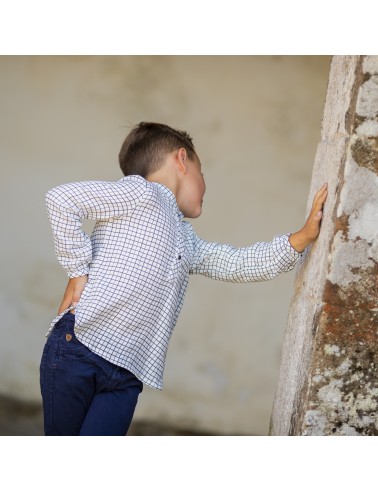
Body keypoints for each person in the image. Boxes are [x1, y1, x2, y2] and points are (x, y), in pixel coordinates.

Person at [40, 122, 328, 436]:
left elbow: (237, 263)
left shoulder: (186, 240)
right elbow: (62, 200)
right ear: (181, 160)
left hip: (126, 375)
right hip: (80, 347)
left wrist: (301, 238)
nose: (205, 183)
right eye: (201, 171)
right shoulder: (140, 192)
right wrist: (77, 270)